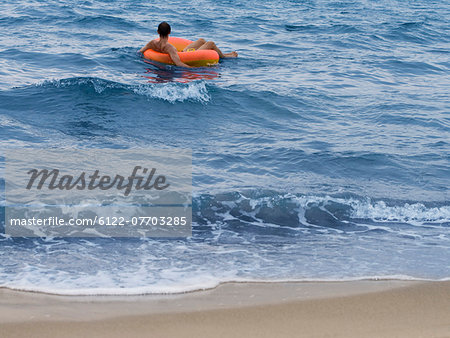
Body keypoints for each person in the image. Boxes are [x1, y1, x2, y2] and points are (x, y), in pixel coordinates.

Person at [140, 22, 238, 68]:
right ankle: (224, 56)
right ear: (169, 32)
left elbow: (141, 51)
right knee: (211, 43)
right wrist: (195, 69)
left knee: (201, 40)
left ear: (158, 32)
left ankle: (224, 54)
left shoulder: (152, 43)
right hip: (185, 56)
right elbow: (179, 63)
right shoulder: (170, 48)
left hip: (182, 53)